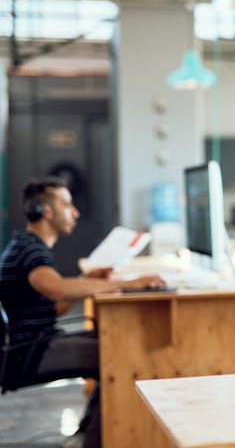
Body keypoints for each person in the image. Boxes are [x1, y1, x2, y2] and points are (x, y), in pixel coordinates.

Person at [0, 177, 165, 448]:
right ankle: (95, 441)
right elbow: (57, 290)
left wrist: (86, 278)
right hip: (28, 354)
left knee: (114, 343)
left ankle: (88, 436)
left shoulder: (27, 246)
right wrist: (126, 283)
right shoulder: (29, 251)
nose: (75, 212)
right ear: (45, 210)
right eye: (67, 204)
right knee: (120, 356)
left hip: (31, 344)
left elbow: (53, 306)